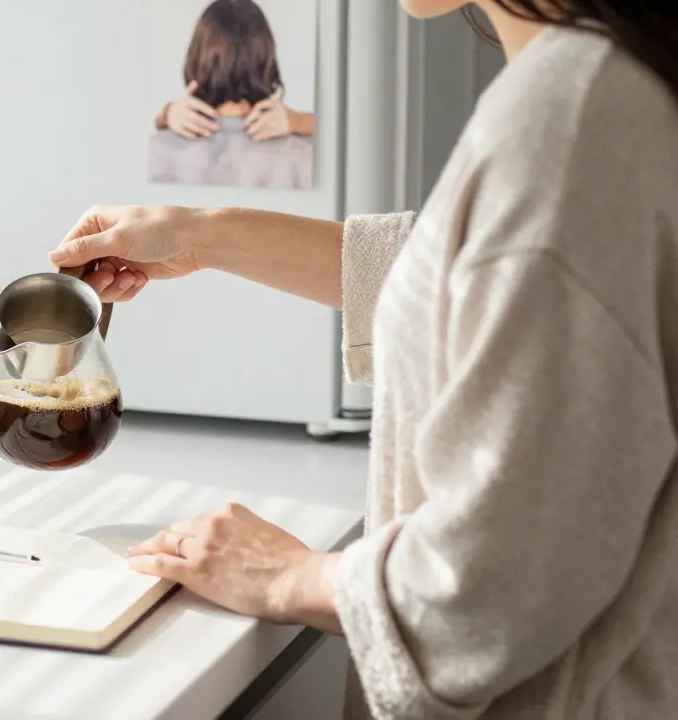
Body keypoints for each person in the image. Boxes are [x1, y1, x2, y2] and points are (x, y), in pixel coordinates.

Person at [51, 1, 678, 717]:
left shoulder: (568, 122)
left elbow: (491, 589)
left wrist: (293, 577)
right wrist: (201, 234)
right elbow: (469, 276)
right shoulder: (606, 76)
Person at [148, 0, 316, 189]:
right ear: (266, 63)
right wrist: (301, 122)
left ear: (197, 58)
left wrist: (165, 115)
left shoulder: (156, 152)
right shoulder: (305, 156)